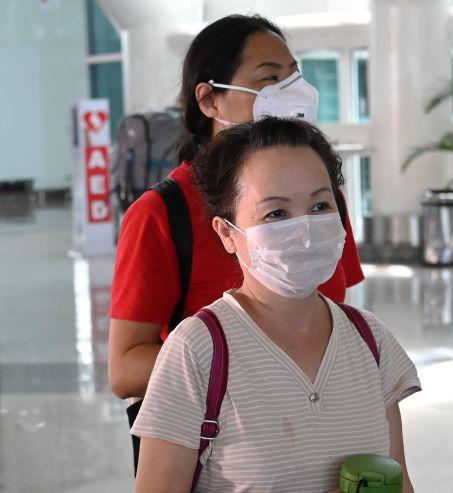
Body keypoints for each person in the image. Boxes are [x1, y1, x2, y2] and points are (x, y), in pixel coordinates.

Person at [132, 117, 420, 493]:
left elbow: (399, 482)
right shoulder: (197, 351)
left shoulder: (371, 341)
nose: (304, 230)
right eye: (277, 214)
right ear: (227, 234)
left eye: (319, 205)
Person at [108, 14, 363, 417]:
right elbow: (125, 369)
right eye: (269, 79)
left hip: (317, 421)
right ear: (209, 100)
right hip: (218, 439)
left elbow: (338, 315)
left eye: (293, 77)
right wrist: (250, 362)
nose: (291, 93)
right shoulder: (161, 214)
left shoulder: (324, 200)